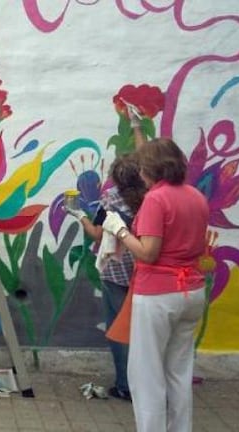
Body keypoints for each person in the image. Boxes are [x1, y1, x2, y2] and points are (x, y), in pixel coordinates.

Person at [101, 137, 209, 432]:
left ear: (149, 169)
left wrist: (119, 230)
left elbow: (148, 252)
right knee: (178, 371)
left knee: (145, 375)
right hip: (192, 290)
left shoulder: (156, 200)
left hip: (159, 293)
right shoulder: (195, 196)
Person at [66, 152, 146, 401]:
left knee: (119, 329)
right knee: (144, 329)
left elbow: (97, 234)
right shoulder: (151, 199)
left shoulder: (111, 200)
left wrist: (77, 213)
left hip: (115, 271)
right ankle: (147, 384)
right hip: (144, 269)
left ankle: (125, 385)